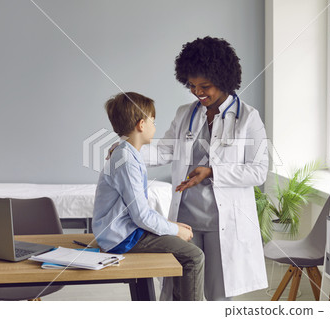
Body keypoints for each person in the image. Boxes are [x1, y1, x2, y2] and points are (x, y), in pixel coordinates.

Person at [143, 36, 269, 300]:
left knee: (217, 296)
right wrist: (129, 149)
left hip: (221, 222)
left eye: (205, 86)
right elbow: (164, 151)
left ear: (223, 80)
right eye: (192, 86)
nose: (198, 92)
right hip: (185, 219)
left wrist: (213, 171)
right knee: (179, 293)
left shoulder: (248, 118)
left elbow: (258, 172)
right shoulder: (185, 113)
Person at [92, 92, 205, 301]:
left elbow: (136, 209)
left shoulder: (127, 154)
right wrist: (175, 230)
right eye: (153, 121)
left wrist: (169, 224)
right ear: (141, 125)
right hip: (123, 238)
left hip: (122, 232)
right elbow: (141, 216)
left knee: (182, 245)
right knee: (194, 255)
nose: (155, 126)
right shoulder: (126, 159)